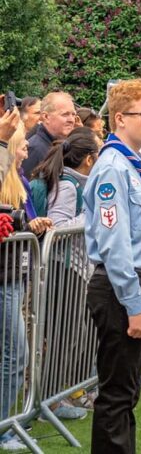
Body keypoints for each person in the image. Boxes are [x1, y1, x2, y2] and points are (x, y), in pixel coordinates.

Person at [83, 79, 141, 454]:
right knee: (116, 394)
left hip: (137, 284)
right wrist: (135, 306)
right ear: (119, 118)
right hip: (120, 288)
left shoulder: (133, 166)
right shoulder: (113, 169)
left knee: (127, 391)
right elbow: (115, 248)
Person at [1, 119, 51, 453]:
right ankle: (4, 427)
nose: (28, 149)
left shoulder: (18, 178)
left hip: (13, 275)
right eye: (21, 144)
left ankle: (7, 423)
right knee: (15, 354)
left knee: (14, 354)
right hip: (4, 276)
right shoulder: (9, 175)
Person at [31, 126, 98, 228]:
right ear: (89, 160)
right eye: (99, 154)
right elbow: (58, 227)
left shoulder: (74, 183)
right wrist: (92, 213)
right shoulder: (67, 186)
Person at [24, 92, 77, 177]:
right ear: (46, 117)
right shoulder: (34, 150)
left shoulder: (64, 147)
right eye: (65, 114)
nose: (71, 120)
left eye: (73, 114)